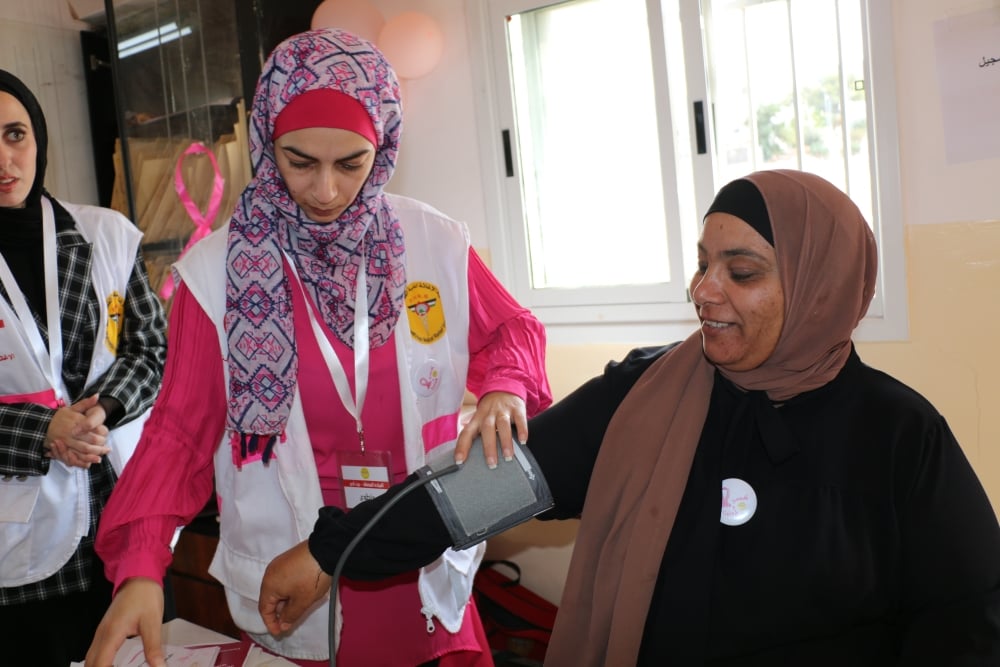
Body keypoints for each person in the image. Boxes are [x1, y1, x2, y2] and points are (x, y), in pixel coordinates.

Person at [258, 169, 1000, 666]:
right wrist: (335, 549)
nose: (705, 291)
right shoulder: (647, 395)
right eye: (703, 262)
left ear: (819, 286)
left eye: (740, 272)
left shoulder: (900, 437)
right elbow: (479, 491)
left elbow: (969, 618)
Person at [86, 28, 551, 667]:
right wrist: (141, 565)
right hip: (292, 576)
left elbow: (512, 329)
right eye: (299, 160)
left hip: (419, 557)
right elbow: (180, 436)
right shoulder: (213, 273)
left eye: (351, 163)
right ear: (266, 141)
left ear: (382, 146)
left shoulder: (432, 242)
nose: (326, 191)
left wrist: (505, 387)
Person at [0, 69, 167, 666]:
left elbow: (151, 349)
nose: (4, 159)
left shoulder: (104, 235)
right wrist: (43, 432)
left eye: (14, 134)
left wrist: (102, 410)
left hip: (120, 517)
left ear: (37, 138)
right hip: (18, 551)